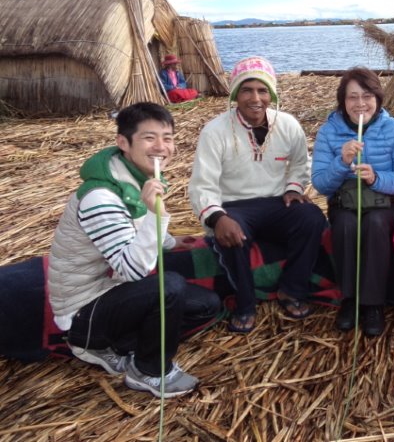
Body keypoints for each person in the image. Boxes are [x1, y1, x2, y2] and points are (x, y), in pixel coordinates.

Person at [47, 102, 221, 398]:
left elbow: (133, 228)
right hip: (83, 312)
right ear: (123, 143)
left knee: (207, 305)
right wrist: (158, 214)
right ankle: (148, 371)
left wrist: (170, 242)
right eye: (149, 138)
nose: (161, 147)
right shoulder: (101, 198)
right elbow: (133, 270)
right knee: (170, 287)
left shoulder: (133, 177)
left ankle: (118, 346)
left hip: (111, 291)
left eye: (167, 138)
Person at [189, 56, 326, 333]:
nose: (256, 98)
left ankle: (292, 289)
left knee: (311, 217)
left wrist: (293, 188)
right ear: (236, 94)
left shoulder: (287, 124)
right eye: (247, 89)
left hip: (276, 202)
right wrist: (216, 217)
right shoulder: (215, 132)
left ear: (271, 94)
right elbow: (203, 183)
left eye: (262, 91)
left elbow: (301, 162)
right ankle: (245, 304)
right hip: (235, 205)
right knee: (232, 235)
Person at [312, 68, 394, 336]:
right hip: (344, 201)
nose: (360, 104)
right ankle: (349, 300)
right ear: (342, 101)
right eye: (352, 97)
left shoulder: (392, 128)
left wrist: (376, 178)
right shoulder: (329, 131)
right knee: (346, 224)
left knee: (376, 223)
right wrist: (341, 162)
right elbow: (321, 183)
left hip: (385, 202)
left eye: (367, 96)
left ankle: (373, 304)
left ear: (377, 98)